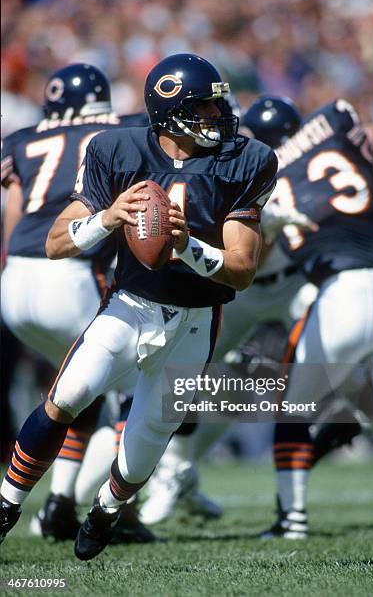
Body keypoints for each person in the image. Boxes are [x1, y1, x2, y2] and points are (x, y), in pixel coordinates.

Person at [0, 53, 278, 561]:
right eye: (206, 111)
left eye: (219, 108)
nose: (219, 119)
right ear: (169, 112)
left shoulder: (246, 160)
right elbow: (57, 242)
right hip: (130, 304)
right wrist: (107, 218)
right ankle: (7, 504)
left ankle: (106, 510)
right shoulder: (116, 148)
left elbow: (241, 269)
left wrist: (187, 245)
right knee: (67, 397)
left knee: (145, 441)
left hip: (195, 322)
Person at [140, 95, 320, 525]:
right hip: (244, 288)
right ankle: (174, 473)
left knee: (344, 360)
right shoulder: (235, 164)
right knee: (189, 374)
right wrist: (272, 221)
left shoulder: (295, 167)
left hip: (295, 285)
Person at [1, 63, 154, 543]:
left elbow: (14, 213)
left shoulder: (22, 137)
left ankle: (60, 505)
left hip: (16, 281)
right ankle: (117, 507)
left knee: (77, 390)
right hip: (69, 273)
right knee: (134, 390)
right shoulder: (124, 125)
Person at [259, 98, 373, 539]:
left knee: (292, 411)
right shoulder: (336, 136)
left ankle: (292, 520)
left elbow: (253, 260)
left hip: (341, 293)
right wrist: (364, 140)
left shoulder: (266, 174)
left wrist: (267, 228)